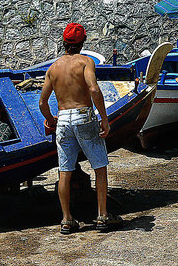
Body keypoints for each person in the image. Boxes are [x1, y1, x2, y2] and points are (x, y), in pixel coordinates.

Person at [39, 22, 122, 234]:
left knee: (64, 170)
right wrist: (104, 119)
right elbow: (94, 89)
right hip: (84, 115)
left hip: (64, 118)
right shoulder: (86, 62)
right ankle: (103, 216)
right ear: (82, 42)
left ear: (64, 43)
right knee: (99, 166)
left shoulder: (53, 68)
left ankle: (67, 220)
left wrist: (51, 119)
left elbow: (42, 103)